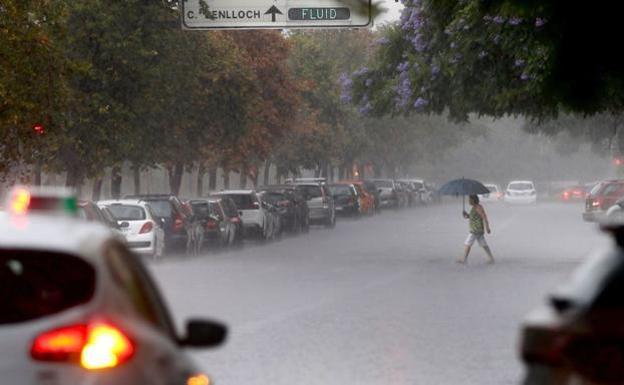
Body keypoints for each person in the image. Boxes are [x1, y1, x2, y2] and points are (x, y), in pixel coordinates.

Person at [458, 194, 495, 264]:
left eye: (469, 199)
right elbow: (473, 217)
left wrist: (487, 227)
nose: (468, 201)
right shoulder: (474, 207)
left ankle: (464, 259)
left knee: (467, 243)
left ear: (473, 200)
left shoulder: (478, 207)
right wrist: (467, 215)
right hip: (478, 230)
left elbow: (484, 217)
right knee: (483, 244)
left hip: (475, 230)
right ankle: (491, 258)